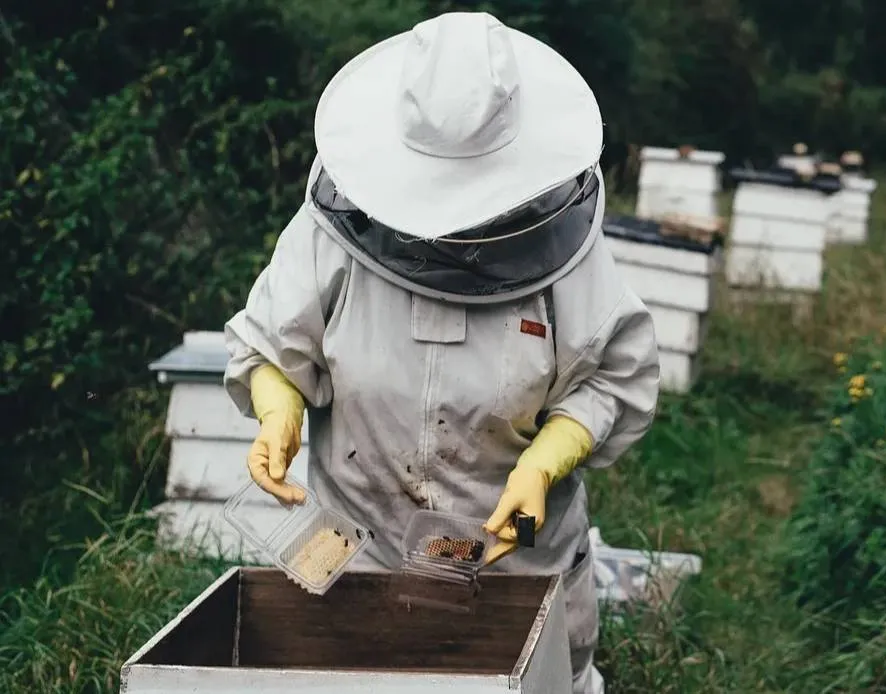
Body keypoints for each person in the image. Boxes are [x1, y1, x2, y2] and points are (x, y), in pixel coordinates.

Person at [223, 11, 660, 693]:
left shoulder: (568, 256)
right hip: (353, 557)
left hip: (514, 568)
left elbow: (610, 379)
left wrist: (543, 465)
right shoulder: (329, 235)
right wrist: (278, 414)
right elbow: (274, 345)